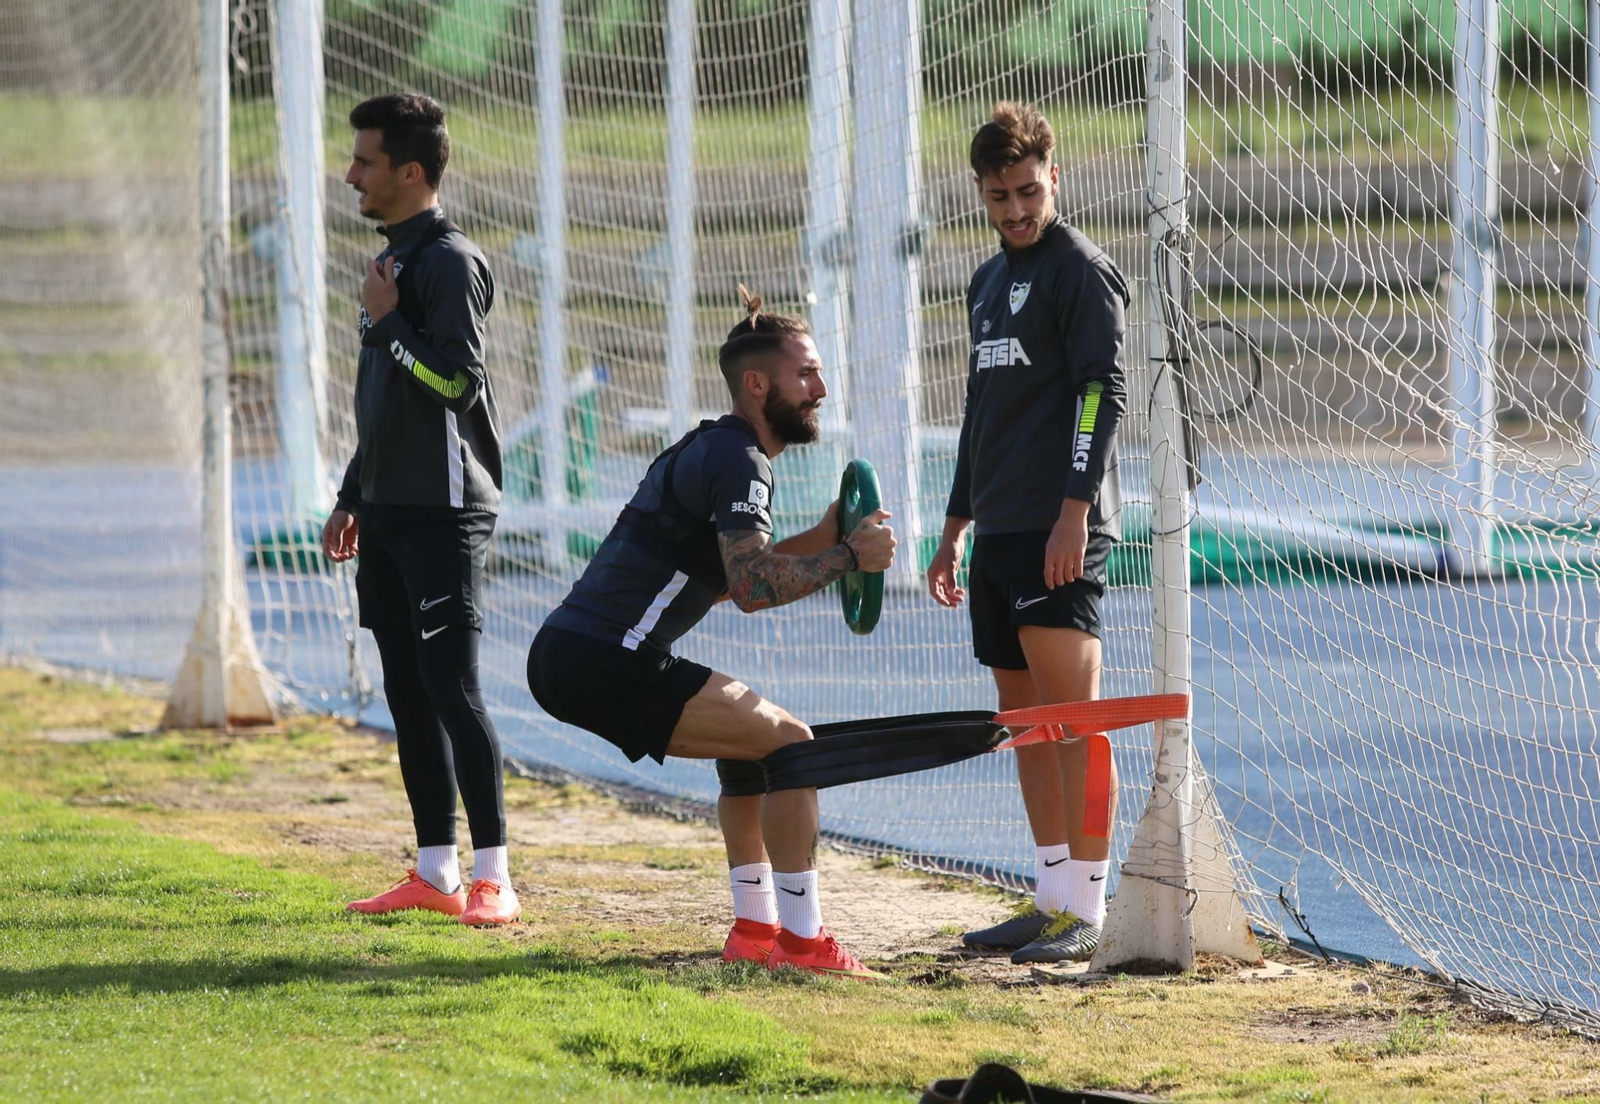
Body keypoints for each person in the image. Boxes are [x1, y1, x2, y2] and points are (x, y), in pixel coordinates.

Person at [527, 289, 895, 978]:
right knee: (794, 747)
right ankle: (804, 943)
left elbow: (726, 579)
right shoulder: (740, 459)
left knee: (755, 750)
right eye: (806, 374)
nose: (821, 388)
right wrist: (848, 558)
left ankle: (757, 931)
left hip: (576, 655)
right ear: (758, 384)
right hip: (605, 660)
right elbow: (754, 589)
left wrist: (822, 537)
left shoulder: (714, 448)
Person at [927, 102, 1130, 964]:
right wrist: (953, 528)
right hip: (999, 532)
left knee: (1073, 719)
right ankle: (1048, 897)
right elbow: (981, 413)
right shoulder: (981, 283)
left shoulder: (1080, 271)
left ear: (1056, 176)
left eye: (1027, 190)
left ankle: (1088, 906)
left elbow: (1100, 393)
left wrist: (1074, 512)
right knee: (1024, 722)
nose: (1014, 209)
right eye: (998, 195)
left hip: (1059, 528)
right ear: (980, 193)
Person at [321, 92, 518, 926]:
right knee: (406, 689)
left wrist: (389, 326)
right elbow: (387, 405)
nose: (351, 173)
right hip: (392, 510)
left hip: (444, 512)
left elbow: (453, 384)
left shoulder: (446, 261)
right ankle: (435, 870)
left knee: (453, 687)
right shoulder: (389, 264)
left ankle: (495, 878)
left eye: (364, 161)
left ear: (409, 172)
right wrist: (352, 494)